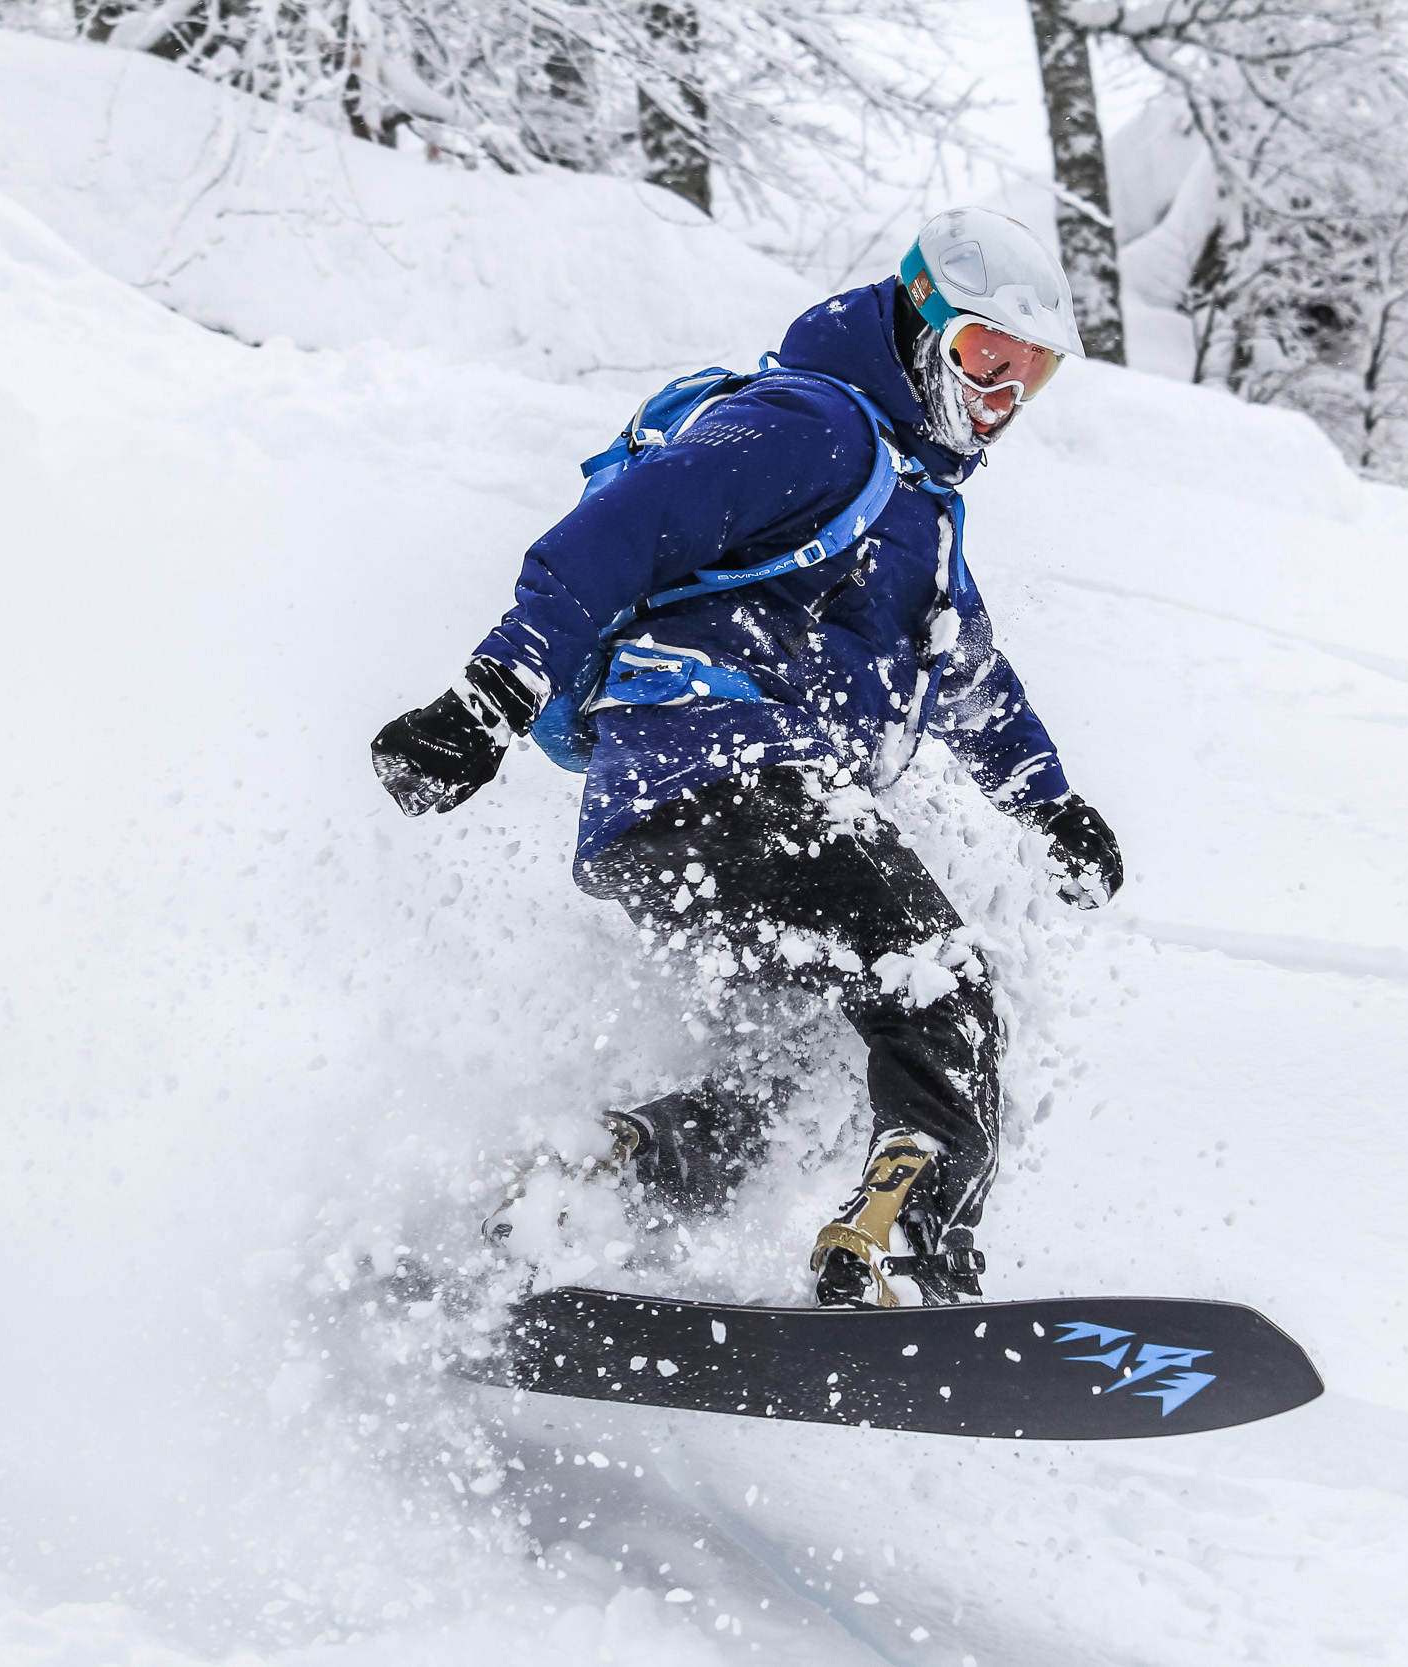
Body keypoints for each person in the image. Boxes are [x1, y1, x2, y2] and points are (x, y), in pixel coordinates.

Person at [370, 208, 1123, 1307]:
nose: (1000, 395)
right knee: (936, 979)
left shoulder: (921, 509)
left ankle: (584, 1191)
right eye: (981, 356)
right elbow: (623, 531)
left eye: (1030, 374)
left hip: (665, 827)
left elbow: (967, 677)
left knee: (801, 1077)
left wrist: (1050, 807)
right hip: (727, 771)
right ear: (918, 322)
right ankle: (915, 1256)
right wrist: (488, 700)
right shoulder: (811, 425)